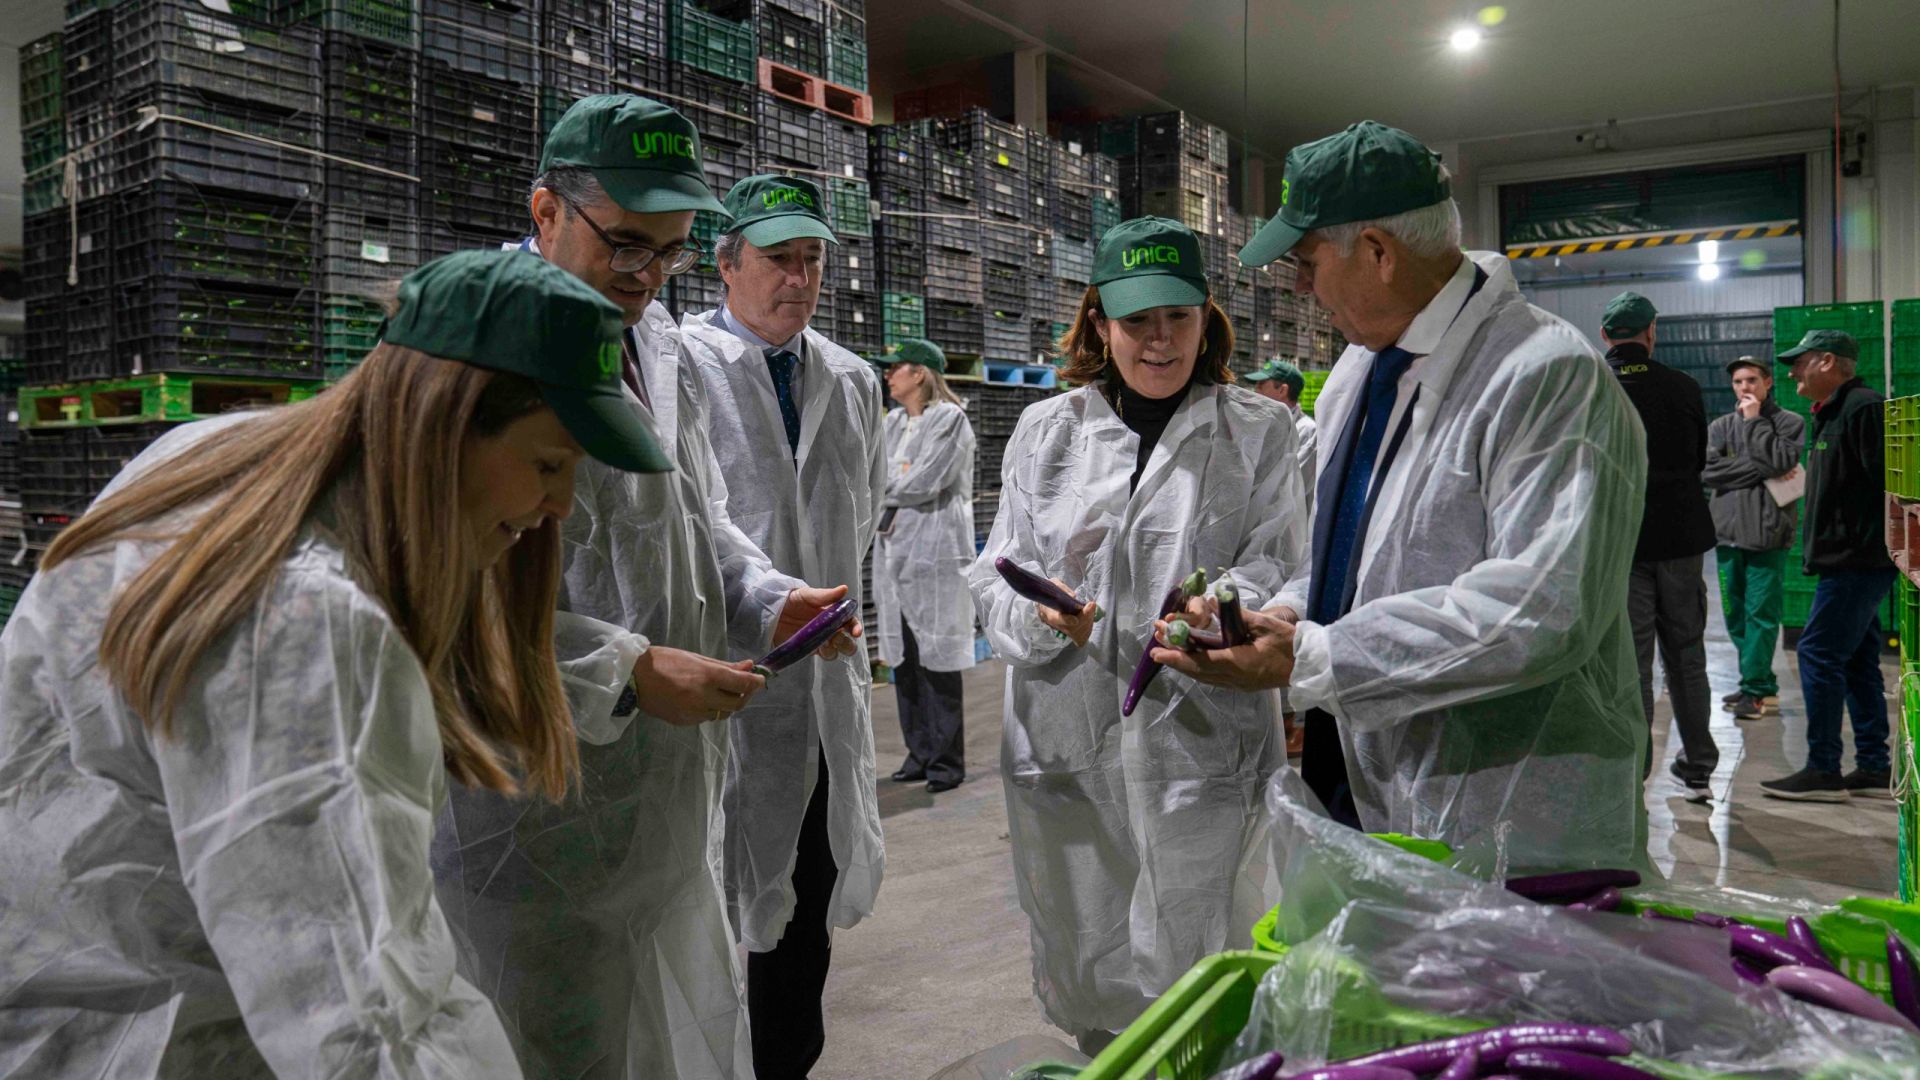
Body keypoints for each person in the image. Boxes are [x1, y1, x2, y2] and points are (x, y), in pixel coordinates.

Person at [0, 249, 670, 1077]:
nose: (562, 504)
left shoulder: (214, 458)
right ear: (447, 423)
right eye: (547, 462)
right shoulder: (301, 626)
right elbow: (357, 1022)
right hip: (152, 1042)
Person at [433, 96, 856, 1079]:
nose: (645, 276)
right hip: (531, 824)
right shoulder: (478, 346)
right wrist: (622, 669)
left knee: (665, 1038)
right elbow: (450, 594)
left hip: (659, 805)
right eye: (626, 245)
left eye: (668, 252)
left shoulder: (658, 340)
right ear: (545, 212)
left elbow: (695, 516)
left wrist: (765, 595)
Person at [1153, 121, 1649, 871]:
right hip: (1366, 766)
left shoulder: (1545, 374)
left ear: (1379, 253)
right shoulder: (1360, 370)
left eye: (1306, 261)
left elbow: (1543, 608)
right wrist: (1281, 613)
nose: (1298, 286)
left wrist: (1314, 655)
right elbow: (1355, 555)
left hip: (1508, 803)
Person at [968, 215, 1307, 1053]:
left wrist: (1219, 605)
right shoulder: (1048, 432)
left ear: (1206, 317)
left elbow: (1283, 562)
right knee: (1094, 952)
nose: (1159, 341)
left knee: (1208, 950)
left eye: (1178, 318)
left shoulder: (1257, 432)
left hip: (1203, 734)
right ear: (1098, 323)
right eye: (1136, 321)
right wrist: (1045, 616)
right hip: (1067, 734)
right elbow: (996, 568)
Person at [678, 174, 886, 1080]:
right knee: (711, 909)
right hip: (721, 677)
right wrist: (760, 601)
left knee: (806, 903)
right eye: (777, 259)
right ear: (726, 264)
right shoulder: (681, 365)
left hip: (823, 684)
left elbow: (866, 513)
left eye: (812, 260)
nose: (798, 278)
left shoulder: (850, 378)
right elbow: (687, 521)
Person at [1761, 329, 1895, 802]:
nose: (1792, 371)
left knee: (1817, 652)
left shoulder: (1862, 408)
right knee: (1857, 660)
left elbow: (1888, 484)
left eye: (1801, 362)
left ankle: (1823, 768)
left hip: (1858, 559)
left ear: (1830, 362)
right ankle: (1875, 767)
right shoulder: (1831, 413)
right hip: (1847, 559)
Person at [1598, 291, 1719, 799]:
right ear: (1652, 331)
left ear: (1605, 336)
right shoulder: (1685, 387)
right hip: (1682, 540)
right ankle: (1697, 766)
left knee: (1633, 660)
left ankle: (1634, 769)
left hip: (1621, 543)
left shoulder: (1592, 386)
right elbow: (1696, 460)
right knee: (1686, 654)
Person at [874, 338, 978, 794]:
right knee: (906, 660)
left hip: (934, 553)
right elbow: (873, 473)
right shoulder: (893, 422)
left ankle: (945, 763)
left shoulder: (950, 420)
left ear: (919, 373)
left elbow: (925, 481)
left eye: (895, 368)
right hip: (895, 551)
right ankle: (918, 754)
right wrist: (889, 484)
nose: (887, 375)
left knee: (936, 661)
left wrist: (886, 486)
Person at [1703, 355, 1805, 721]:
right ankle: (1758, 681)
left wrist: (1753, 422)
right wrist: (1760, 468)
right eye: (1738, 382)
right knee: (1734, 616)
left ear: (1767, 383)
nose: (1744, 388)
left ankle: (1756, 690)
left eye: (1751, 381)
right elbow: (1710, 473)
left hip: (1767, 536)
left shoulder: (1790, 423)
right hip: (1727, 535)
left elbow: (1779, 462)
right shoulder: (1719, 427)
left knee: (1760, 615)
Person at [1247, 357, 1318, 500]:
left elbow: (1288, 487)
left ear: (1282, 390)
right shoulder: (1261, 425)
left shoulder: (1307, 431)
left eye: (1261, 385)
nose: (1255, 392)